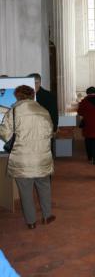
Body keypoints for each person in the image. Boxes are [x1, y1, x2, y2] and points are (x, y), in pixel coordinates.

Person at [0, 85, 55, 229]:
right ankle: (47, 216)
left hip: (22, 160)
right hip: (42, 158)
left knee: (25, 192)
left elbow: (5, 134)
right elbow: (50, 133)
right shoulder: (44, 111)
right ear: (32, 95)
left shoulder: (13, 112)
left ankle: (31, 222)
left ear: (18, 96)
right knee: (44, 187)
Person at [77, 86, 95, 164]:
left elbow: (80, 112)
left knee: (88, 141)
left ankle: (90, 157)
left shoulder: (84, 101)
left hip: (88, 124)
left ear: (87, 93)